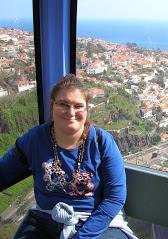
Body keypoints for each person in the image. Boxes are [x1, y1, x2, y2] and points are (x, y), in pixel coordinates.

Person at [0, 74, 137, 239]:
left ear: (86, 109)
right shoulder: (35, 139)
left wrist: (83, 236)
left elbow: (115, 198)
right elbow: (4, 171)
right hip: (46, 220)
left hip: (95, 221)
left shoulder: (101, 142)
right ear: (52, 105)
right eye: (63, 104)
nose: (71, 112)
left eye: (78, 106)